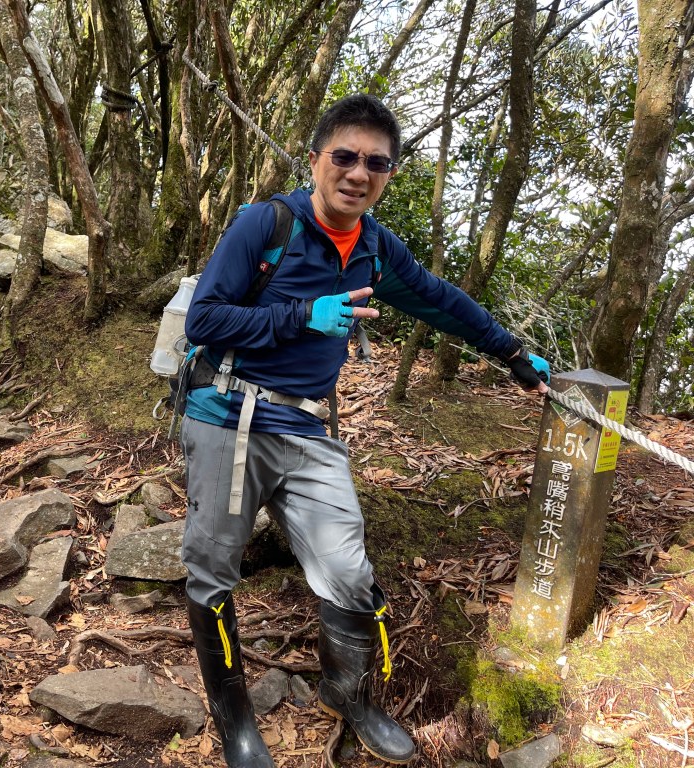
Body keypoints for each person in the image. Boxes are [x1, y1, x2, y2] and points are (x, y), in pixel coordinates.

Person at [180, 94, 550, 768]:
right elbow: (203, 319)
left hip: (305, 424)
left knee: (349, 572)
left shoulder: (375, 247)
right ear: (315, 159)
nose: (357, 173)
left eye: (375, 163)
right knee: (213, 572)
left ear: (389, 175)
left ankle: (347, 694)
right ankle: (235, 723)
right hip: (228, 414)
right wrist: (303, 315)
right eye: (345, 156)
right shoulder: (267, 224)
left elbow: (438, 300)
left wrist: (511, 353)